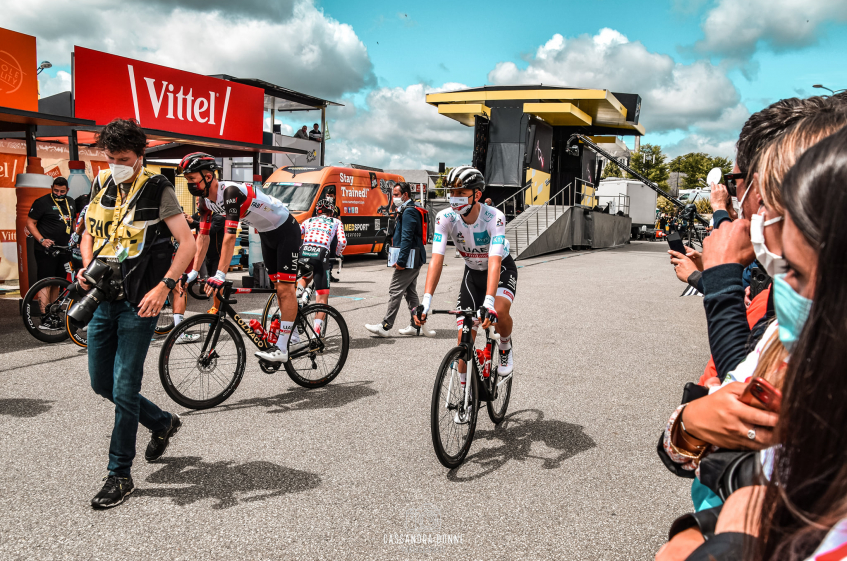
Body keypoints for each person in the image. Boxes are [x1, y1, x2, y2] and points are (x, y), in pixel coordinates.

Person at [661, 123, 847, 561]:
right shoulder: (790, 341)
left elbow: (732, 380)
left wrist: (719, 279)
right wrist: (687, 426)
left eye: (795, 271)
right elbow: (712, 439)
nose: (756, 214)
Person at [77, 119, 196, 508]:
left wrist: (163, 287)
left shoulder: (156, 187)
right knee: (101, 384)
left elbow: (187, 243)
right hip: (101, 297)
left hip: (138, 302)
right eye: (110, 158)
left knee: (124, 387)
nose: (116, 165)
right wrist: (86, 264)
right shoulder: (101, 183)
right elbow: (89, 232)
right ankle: (163, 422)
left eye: (124, 159)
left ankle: (119, 475)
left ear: (141, 155)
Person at [180, 152, 301, 363]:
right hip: (266, 234)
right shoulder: (204, 202)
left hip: (286, 231)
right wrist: (192, 272)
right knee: (276, 286)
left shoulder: (231, 193)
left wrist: (219, 274)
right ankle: (294, 332)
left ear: (208, 177)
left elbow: (229, 237)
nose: (190, 183)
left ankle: (282, 347)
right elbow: (203, 238)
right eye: (187, 179)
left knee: (284, 289)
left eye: (192, 178)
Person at [415, 166, 516, 382]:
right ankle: (464, 402)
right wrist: (426, 301)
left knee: (498, 311)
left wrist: (488, 302)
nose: (454, 198)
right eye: (452, 192)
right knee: (463, 339)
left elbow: (495, 260)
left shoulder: (494, 217)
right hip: (472, 273)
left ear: (476, 195)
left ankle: (505, 346)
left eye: (461, 193)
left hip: (500, 269)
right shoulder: (445, 218)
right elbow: (437, 260)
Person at [365, 182, 433, 338]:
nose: (393, 198)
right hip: (414, 258)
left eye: (396, 195)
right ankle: (416, 325)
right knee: (410, 292)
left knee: (395, 290)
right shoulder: (409, 209)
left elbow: (407, 238)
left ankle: (385, 326)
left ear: (405, 195)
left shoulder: (409, 212)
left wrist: (401, 262)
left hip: (408, 259)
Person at [26, 176, 75, 328]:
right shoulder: (42, 202)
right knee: (46, 282)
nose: (59, 194)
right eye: (56, 191)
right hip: (46, 249)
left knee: (57, 283)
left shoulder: (71, 202)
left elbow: (72, 222)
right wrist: (42, 240)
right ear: (51, 188)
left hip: (64, 248)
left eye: (62, 191)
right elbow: (30, 222)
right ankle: (44, 316)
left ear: (67, 190)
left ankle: (52, 313)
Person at [296, 198, 346, 335]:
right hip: (321, 253)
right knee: (322, 298)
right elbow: (342, 241)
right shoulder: (336, 222)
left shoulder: (308, 221)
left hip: (304, 252)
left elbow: (296, 234)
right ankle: (316, 334)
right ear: (331, 212)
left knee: (306, 277)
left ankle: (298, 298)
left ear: (317, 212)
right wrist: (338, 253)